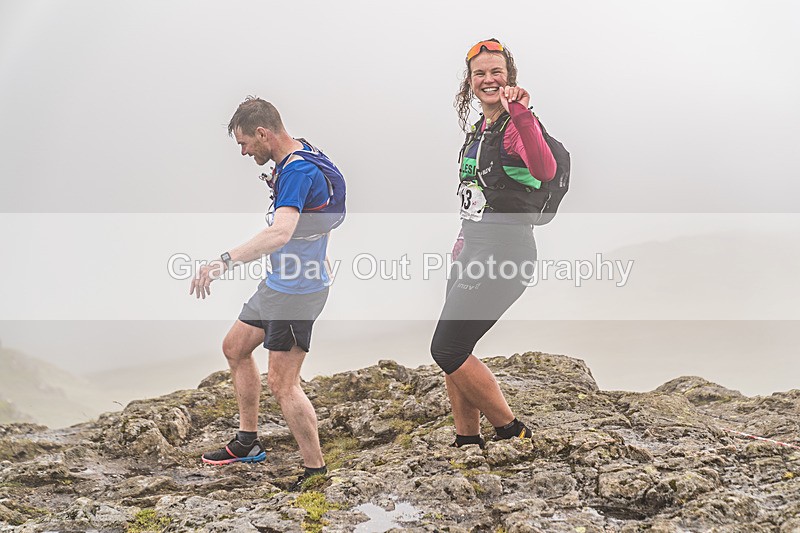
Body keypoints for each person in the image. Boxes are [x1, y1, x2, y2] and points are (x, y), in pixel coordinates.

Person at [191, 97, 341, 489]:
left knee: (283, 383)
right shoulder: (300, 151)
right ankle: (247, 442)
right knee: (235, 347)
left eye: (244, 143)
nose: (243, 152)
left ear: (263, 133)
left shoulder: (297, 170)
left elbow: (281, 232)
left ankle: (315, 471)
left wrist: (223, 261)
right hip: (278, 284)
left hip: (299, 291)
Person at [430, 39, 558, 448]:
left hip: (506, 252)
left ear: (509, 79)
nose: (488, 79)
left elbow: (544, 167)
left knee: (446, 348)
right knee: (457, 349)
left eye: (496, 72)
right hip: (472, 250)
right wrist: (461, 244)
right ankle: (467, 439)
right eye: (480, 73)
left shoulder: (518, 125)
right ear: (469, 83)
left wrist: (519, 111)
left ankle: (511, 429)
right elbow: (474, 198)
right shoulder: (478, 131)